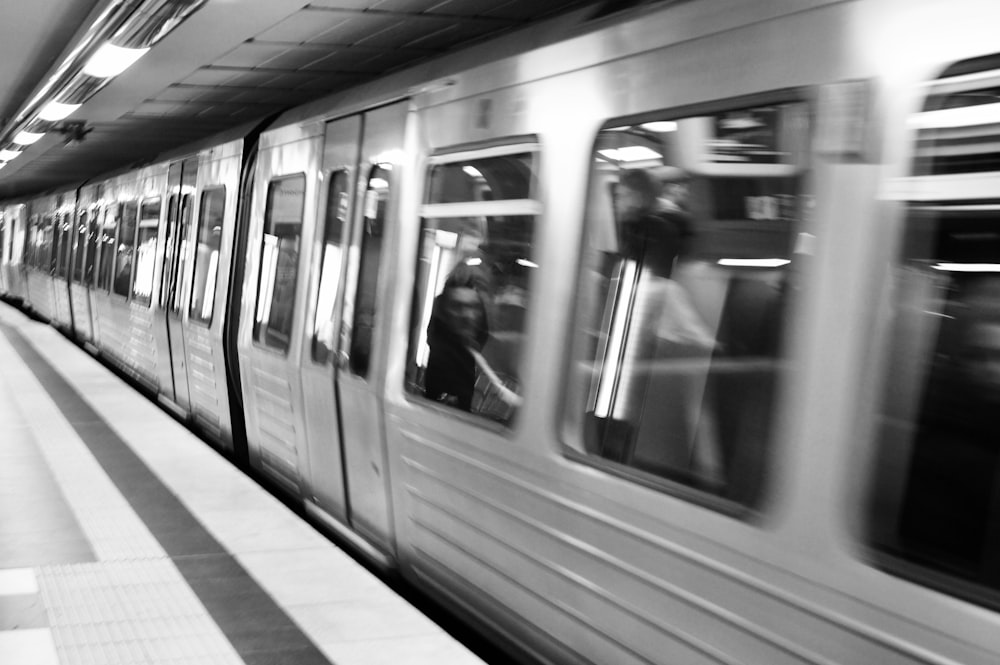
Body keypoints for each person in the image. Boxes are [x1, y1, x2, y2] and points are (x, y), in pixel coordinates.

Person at [424, 270, 490, 411]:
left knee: (429, 409)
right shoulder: (476, 302)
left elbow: (431, 334)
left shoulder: (442, 301)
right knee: (462, 411)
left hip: (441, 366)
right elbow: (483, 334)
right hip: (461, 368)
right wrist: (470, 348)